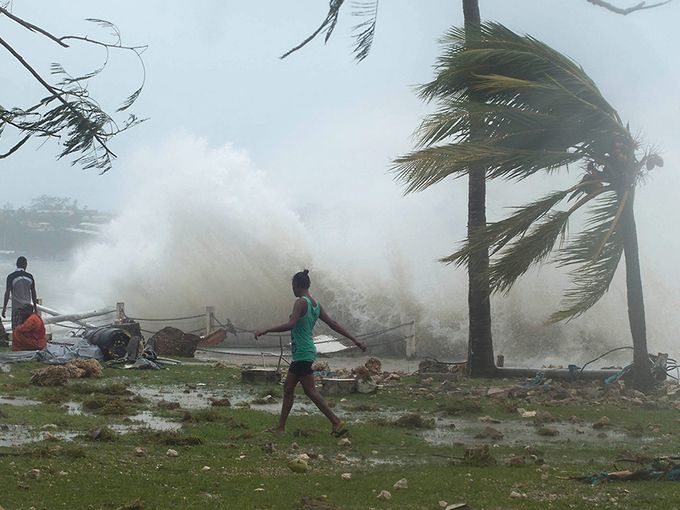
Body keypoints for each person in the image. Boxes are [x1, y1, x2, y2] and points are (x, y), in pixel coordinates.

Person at [255, 269, 367, 436]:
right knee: (288, 388)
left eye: (292, 286)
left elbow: (291, 324)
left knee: (310, 391)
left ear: (297, 286)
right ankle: (280, 427)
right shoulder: (315, 305)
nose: (292, 290)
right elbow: (333, 324)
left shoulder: (301, 302)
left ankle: (336, 422)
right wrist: (354, 339)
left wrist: (266, 330)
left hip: (302, 352)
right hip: (305, 351)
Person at [2, 256, 38, 331]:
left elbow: (7, 293)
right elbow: (33, 292)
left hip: (17, 309)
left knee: (16, 330)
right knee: (28, 330)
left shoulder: (11, 277)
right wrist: (35, 307)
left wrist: (4, 308)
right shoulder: (30, 277)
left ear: (16, 264)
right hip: (28, 308)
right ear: (25, 265)